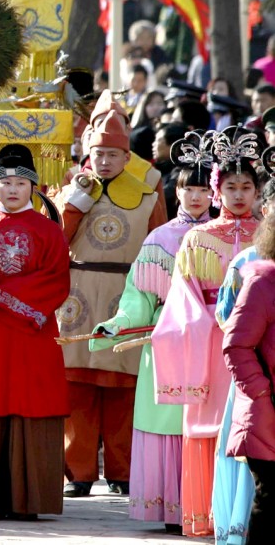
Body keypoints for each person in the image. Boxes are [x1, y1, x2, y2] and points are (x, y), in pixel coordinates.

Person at [90, 134, 214, 532]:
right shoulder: (159, 240)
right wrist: (117, 323)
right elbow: (137, 301)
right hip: (165, 343)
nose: (195, 197)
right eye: (187, 188)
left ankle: (208, 506)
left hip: (212, 344)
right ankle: (173, 508)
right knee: (165, 421)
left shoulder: (227, 238)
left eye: (201, 189)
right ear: (176, 192)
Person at [151, 125, 262, 537]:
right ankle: (207, 516)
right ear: (219, 189)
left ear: (257, 191)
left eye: (246, 186)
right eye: (231, 185)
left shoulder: (267, 237)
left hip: (258, 343)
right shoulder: (198, 238)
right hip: (210, 342)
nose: (238, 195)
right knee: (209, 426)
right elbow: (183, 299)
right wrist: (219, 320)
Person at [55, 91, 167, 498]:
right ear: (88, 153)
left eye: (112, 154)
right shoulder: (69, 193)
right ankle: (79, 473)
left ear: (126, 157)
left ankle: (122, 472)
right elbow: (55, 244)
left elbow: (159, 250)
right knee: (79, 388)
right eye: (98, 152)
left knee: (123, 389)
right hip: (78, 296)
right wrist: (73, 207)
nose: (104, 160)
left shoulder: (149, 195)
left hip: (129, 295)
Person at [0, 144, 71, 521]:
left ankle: (28, 500)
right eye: (5, 182)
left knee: (29, 403)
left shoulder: (50, 231)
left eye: (19, 183)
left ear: (34, 187)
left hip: (32, 331)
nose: (11, 190)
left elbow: (56, 280)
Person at [214, 175, 275, 544]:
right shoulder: (262, 279)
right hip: (265, 412)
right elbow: (236, 345)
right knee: (269, 504)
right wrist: (261, 391)